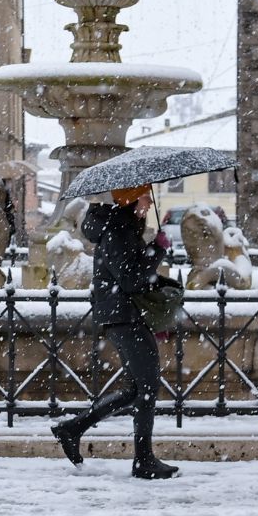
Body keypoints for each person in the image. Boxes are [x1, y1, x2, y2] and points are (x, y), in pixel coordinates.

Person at [50, 183, 179, 479]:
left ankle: (73, 428)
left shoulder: (121, 226)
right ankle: (143, 460)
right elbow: (132, 279)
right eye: (145, 198)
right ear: (131, 199)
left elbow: (132, 272)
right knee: (147, 386)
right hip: (124, 315)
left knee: (136, 388)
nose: (149, 203)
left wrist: (151, 252)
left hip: (124, 314)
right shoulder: (118, 230)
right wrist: (157, 250)